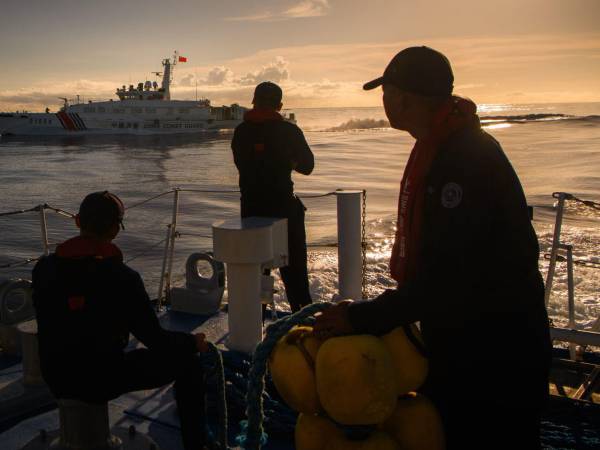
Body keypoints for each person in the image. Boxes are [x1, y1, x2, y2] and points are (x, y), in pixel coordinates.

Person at [314, 47, 552, 449]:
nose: (383, 101)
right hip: (475, 344)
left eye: (385, 92)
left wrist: (361, 318)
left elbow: (447, 278)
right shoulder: (449, 147)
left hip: (495, 357)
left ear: (403, 99)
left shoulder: (462, 161)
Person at [32, 191, 210, 450]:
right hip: (102, 378)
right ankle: (197, 446)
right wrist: (191, 343)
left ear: (78, 222)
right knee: (188, 364)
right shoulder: (123, 277)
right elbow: (156, 340)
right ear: (115, 230)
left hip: (55, 374)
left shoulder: (43, 269)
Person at [231, 81, 315, 313]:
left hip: (251, 212)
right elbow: (308, 166)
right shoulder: (289, 131)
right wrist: (289, 161)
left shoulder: (241, 132)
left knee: (256, 274)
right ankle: (302, 319)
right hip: (284, 211)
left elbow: (243, 165)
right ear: (279, 105)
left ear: (253, 102)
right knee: (295, 275)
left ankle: (254, 325)